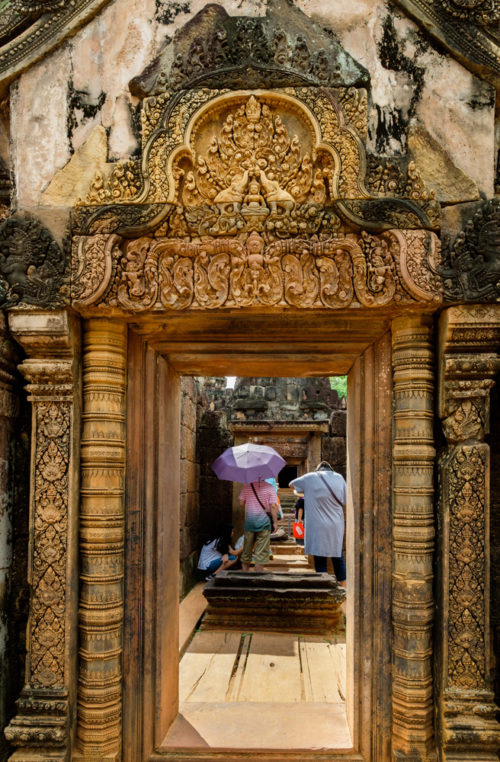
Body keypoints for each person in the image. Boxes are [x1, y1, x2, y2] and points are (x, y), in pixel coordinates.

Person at [289, 461, 346, 587]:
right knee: (337, 555)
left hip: (317, 526)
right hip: (335, 525)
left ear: (318, 470)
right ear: (330, 469)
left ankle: (323, 587)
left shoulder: (310, 477)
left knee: (320, 557)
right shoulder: (339, 478)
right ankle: (344, 587)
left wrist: (304, 492)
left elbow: (291, 484)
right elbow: (345, 500)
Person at [239, 479, 278, 572]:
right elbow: (273, 506)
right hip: (264, 522)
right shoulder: (270, 487)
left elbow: (241, 503)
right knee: (261, 553)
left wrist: (249, 500)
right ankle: (258, 577)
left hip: (249, 522)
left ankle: (244, 576)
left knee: (246, 550)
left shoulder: (246, 486)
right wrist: (275, 523)